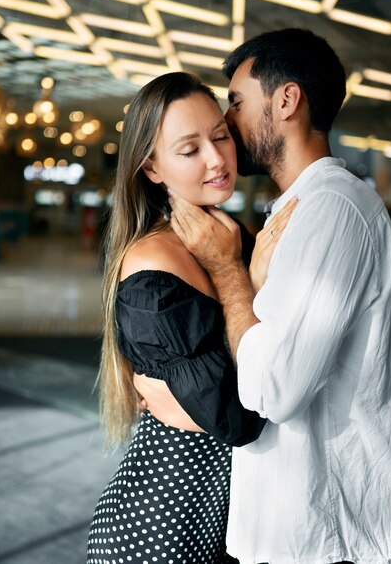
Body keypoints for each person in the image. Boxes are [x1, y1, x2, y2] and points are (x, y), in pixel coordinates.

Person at [168, 29, 391, 564]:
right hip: (288, 528)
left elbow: (275, 390)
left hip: (323, 537)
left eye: (235, 102)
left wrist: (229, 272)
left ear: (286, 100)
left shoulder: (333, 211)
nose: (225, 123)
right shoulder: (297, 210)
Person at [86, 71, 296, 564]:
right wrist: (241, 277)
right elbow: (241, 417)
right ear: (152, 170)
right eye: (189, 150)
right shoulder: (151, 270)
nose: (218, 159)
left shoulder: (230, 237)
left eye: (220, 136)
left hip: (224, 524)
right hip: (158, 531)